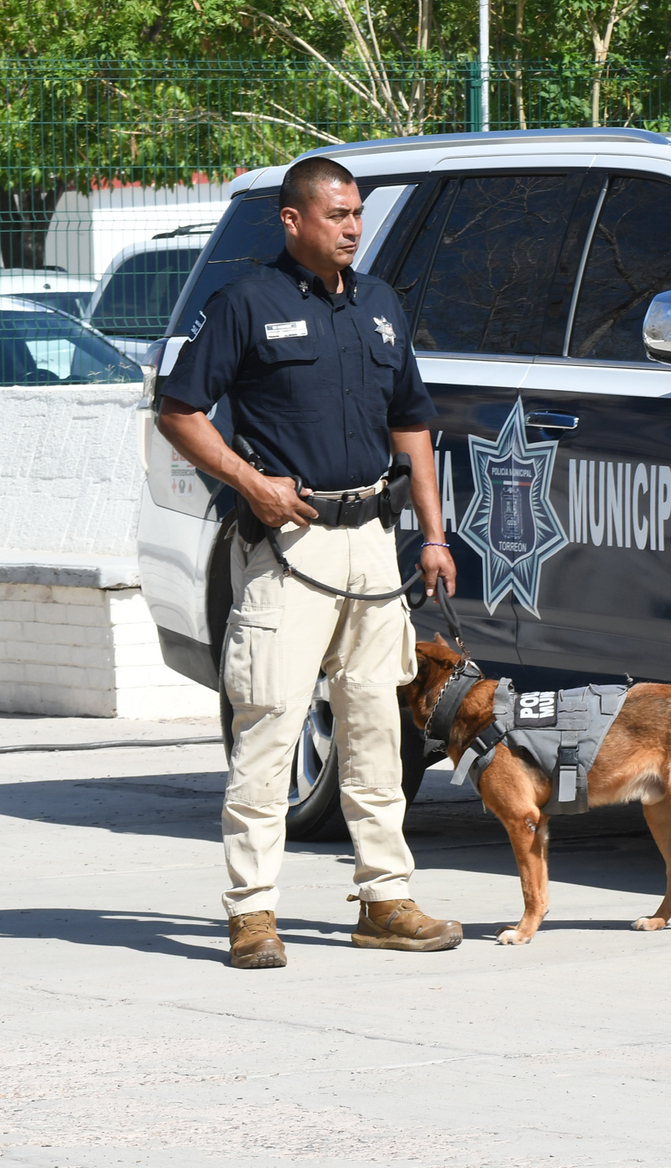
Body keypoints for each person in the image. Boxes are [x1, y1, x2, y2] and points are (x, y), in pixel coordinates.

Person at [157, 156, 463, 967]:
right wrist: (249, 483)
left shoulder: (381, 304)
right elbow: (178, 411)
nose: (353, 227)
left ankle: (385, 899)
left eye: (358, 213)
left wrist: (432, 535)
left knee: (374, 726)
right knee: (270, 725)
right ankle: (252, 914)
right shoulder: (243, 303)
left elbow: (412, 426)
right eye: (337, 215)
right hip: (287, 544)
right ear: (292, 221)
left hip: (371, 540)